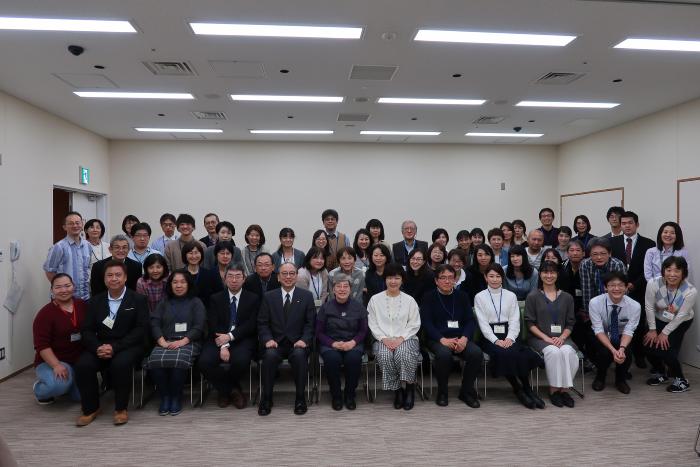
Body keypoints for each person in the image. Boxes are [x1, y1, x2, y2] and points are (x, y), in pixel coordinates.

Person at [74, 261, 149, 426]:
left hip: (128, 345)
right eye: (110, 275)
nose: (114, 278)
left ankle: (121, 409)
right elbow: (86, 330)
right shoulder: (95, 301)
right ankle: (90, 408)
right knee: (83, 365)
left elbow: (140, 330)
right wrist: (97, 347)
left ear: (125, 277)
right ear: (104, 278)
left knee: (120, 364)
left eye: (118, 275)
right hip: (100, 345)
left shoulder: (138, 299)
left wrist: (115, 347)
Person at [473, 264, 544, 409]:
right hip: (489, 337)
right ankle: (518, 388)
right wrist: (496, 340)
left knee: (519, 354)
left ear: (502, 278)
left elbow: (514, 320)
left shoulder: (510, 296)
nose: (494, 279)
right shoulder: (479, 297)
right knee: (504, 354)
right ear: (485, 277)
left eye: (498, 276)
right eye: (491, 276)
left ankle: (527, 388)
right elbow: (483, 324)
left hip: (510, 333)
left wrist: (510, 338)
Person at [257, 263, 316, 416]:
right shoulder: (269, 297)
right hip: (275, 343)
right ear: (278, 277)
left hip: (297, 343)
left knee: (299, 356)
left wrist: (304, 340)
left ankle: (300, 398)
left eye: (291, 273)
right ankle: (267, 398)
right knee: (269, 356)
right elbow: (262, 323)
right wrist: (268, 339)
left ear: (296, 276)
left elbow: (311, 324)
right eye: (284, 273)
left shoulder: (306, 296)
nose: (288, 277)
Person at [420, 265, 483, 408]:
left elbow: (470, 320)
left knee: (476, 353)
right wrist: (442, 339)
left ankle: (466, 391)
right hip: (437, 338)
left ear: (455, 280)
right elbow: (427, 323)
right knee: (444, 355)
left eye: (450, 278)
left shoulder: (462, 296)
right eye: (443, 278)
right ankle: (442, 392)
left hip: (460, 337)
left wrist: (464, 338)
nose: (447, 281)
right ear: (436, 281)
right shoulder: (429, 297)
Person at [200, 264, 260, 409]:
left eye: (238, 276)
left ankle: (223, 391)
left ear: (244, 279)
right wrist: (224, 345)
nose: (234, 280)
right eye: (230, 276)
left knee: (241, 360)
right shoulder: (215, 298)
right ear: (225, 279)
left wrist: (230, 337)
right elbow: (213, 323)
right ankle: (231, 390)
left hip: (242, 339)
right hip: (218, 339)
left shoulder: (253, 298)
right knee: (204, 361)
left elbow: (251, 325)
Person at [147, 271, 205, 415]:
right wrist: (161, 340)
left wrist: (183, 341)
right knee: (154, 360)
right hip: (165, 341)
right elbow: (154, 322)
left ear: (188, 284)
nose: (179, 285)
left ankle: (176, 397)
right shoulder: (164, 302)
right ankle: (165, 397)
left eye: (183, 282)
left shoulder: (196, 302)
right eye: (175, 282)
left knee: (178, 360)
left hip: (188, 341)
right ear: (170, 285)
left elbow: (199, 326)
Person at [367, 263, 422, 410]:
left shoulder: (409, 300)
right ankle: (397, 390)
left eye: (397, 278)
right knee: (384, 355)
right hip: (382, 339)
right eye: (390, 278)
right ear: (385, 279)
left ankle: (409, 387)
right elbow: (372, 323)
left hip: (407, 338)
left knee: (403, 353)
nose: (393, 281)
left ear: (402, 280)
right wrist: (383, 339)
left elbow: (414, 323)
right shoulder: (375, 300)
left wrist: (401, 338)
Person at [525, 261, 578, 408]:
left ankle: (565, 390)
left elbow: (570, 322)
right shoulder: (533, 296)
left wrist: (562, 337)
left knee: (568, 352)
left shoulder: (567, 297)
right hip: (539, 338)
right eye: (545, 272)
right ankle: (554, 390)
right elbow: (530, 323)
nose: (549, 275)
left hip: (563, 337)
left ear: (557, 274)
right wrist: (547, 338)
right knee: (553, 352)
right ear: (540, 274)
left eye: (552, 272)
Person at [644, 256, 696, 393]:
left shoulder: (690, 291)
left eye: (677, 270)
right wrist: (652, 330)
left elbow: (681, 315)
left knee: (667, 351)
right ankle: (661, 372)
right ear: (663, 270)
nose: (672, 274)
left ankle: (682, 381)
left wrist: (665, 333)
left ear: (683, 272)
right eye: (668, 270)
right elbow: (649, 307)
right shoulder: (653, 283)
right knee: (647, 345)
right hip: (659, 318)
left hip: (681, 321)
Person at [32, 274, 87, 404]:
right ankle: (40, 390)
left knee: (81, 397)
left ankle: (69, 381)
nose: (63, 290)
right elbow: (42, 345)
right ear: (52, 290)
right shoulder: (45, 314)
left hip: (77, 361)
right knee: (57, 386)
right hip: (52, 361)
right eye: (58, 287)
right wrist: (56, 365)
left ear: (73, 286)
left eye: (67, 286)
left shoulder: (82, 305)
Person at [610, 211, 656, 367]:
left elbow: (649, 270)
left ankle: (639, 354)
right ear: (619, 224)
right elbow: (610, 266)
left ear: (637, 224)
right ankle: (620, 353)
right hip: (617, 290)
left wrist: (634, 284)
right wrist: (621, 285)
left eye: (630, 223)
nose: (626, 226)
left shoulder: (649, 244)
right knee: (619, 323)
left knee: (639, 323)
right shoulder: (612, 242)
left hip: (639, 289)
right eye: (623, 223)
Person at [316, 275, 369, 410]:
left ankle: (350, 394)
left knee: (353, 359)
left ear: (350, 290)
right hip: (330, 344)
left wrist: (352, 342)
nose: (342, 289)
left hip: (353, 343)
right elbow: (319, 332)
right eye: (338, 286)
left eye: (345, 286)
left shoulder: (359, 307)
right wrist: (332, 344)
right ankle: (336, 395)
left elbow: (363, 331)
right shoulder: (325, 308)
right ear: (333, 290)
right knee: (332, 359)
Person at [588, 271, 641, 394]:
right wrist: (612, 349)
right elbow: (598, 329)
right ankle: (600, 377)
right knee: (604, 352)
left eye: (621, 285)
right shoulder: (595, 302)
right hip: (603, 333)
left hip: (622, 334)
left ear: (626, 287)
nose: (616, 288)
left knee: (626, 353)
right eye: (612, 285)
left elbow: (629, 330)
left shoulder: (634, 306)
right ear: (605, 287)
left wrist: (621, 349)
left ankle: (620, 380)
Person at [43, 211, 92, 300]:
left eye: (77, 223)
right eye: (71, 223)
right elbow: (49, 272)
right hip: (64, 298)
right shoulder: (58, 247)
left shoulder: (87, 245)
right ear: (64, 227)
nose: (75, 226)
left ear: (82, 224)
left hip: (85, 297)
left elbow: (87, 269)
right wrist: (62, 289)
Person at [580, 237, 627, 313]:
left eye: (603, 253)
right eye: (595, 254)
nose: (599, 257)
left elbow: (622, 291)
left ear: (609, 253)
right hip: (595, 305)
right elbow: (587, 291)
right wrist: (590, 312)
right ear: (590, 255)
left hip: (616, 306)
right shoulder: (585, 264)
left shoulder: (617, 264)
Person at [181, 241, 221, 308]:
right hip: (184, 311)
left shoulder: (210, 274)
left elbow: (218, 295)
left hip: (205, 312)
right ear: (185, 255)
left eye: (196, 253)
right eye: (190, 253)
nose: (194, 256)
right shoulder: (179, 274)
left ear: (201, 254)